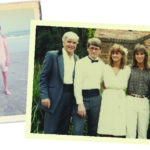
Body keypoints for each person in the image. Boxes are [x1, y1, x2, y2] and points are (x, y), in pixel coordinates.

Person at [39, 31, 79, 134]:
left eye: (74, 43)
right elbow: (43, 78)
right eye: (69, 41)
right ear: (63, 42)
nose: (71, 45)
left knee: (63, 130)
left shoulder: (76, 58)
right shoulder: (52, 55)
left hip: (70, 97)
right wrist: (44, 96)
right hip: (54, 97)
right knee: (50, 130)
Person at [73, 37, 105, 136]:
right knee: (78, 130)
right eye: (92, 48)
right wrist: (80, 103)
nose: (94, 51)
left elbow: (103, 83)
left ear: (100, 50)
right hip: (82, 99)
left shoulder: (103, 65)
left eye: (96, 49)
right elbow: (77, 84)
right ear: (87, 48)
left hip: (96, 99)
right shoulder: (80, 63)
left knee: (93, 130)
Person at [97, 44, 130, 137]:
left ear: (122, 55)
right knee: (106, 124)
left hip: (120, 98)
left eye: (117, 53)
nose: (115, 55)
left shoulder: (127, 69)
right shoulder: (106, 68)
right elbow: (100, 82)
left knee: (118, 125)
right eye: (113, 53)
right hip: (108, 97)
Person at [126, 44, 150, 139]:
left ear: (145, 55)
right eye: (137, 54)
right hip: (130, 100)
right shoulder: (129, 69)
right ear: (134, 56)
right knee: (130, 132)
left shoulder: (149, 71)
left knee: (143, 132)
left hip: (144, 101)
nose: (139, 56)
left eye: (142, 54)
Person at [0, 26, 11, 95]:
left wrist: (7, 59)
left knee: (5, 75)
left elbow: (7, 49)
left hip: (2, 59)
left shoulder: (2, 38)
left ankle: (6, 89)